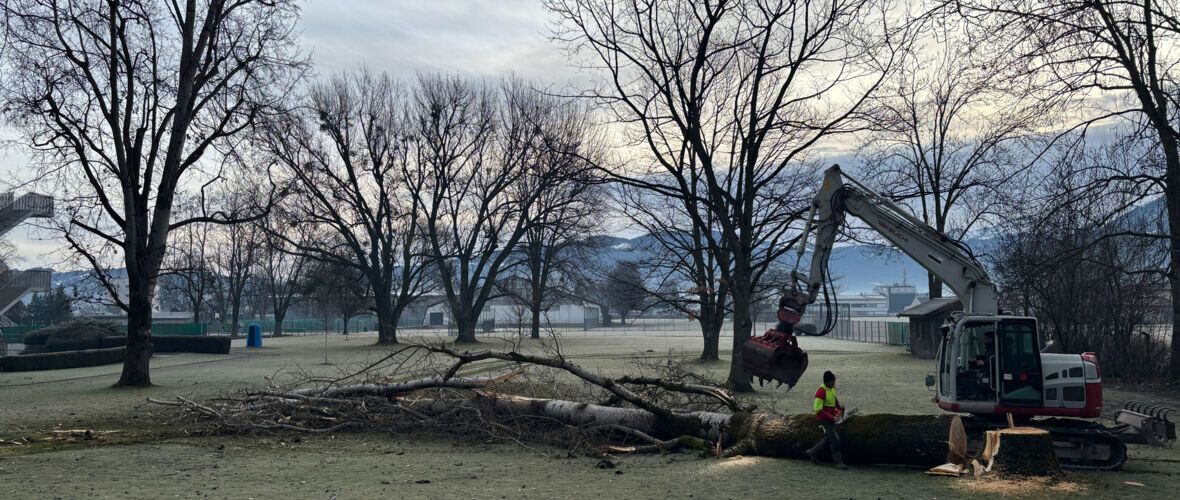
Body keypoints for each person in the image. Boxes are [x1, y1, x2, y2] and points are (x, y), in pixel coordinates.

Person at [805, 370, 847, 469]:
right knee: (835, 439)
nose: (834, 383)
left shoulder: (832, 388)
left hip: (831, 418)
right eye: (833, 381)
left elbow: (834, 398)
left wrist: (838, 406)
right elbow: (818, 410)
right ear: (828, 382)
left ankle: (812, 452)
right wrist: (832, 417)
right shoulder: (821, 392)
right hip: (823, 419)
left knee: (829, 437)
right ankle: (838, 462)